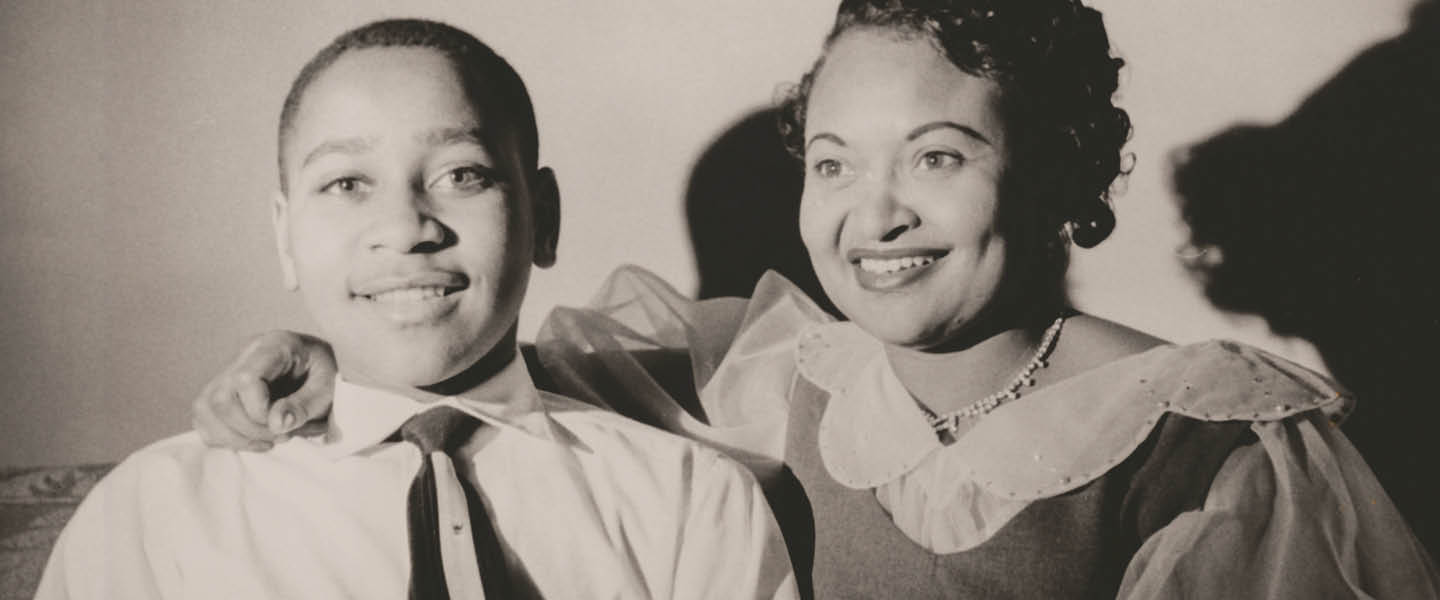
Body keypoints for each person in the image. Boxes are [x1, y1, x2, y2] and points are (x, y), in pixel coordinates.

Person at [193, 2, 1440, 598]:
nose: (872, 213)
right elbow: (484, 359)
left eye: (938, 157)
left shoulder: (1202, 440)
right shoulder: (778, 374)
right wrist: (322, 346)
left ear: (1055, 169)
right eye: (833, 162)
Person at [37, 18, 796, 600]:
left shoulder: (691, 502)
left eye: (462, 175)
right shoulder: (155, 511)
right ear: (285, 236)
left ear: (544, 217)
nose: (405, 228)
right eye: (345, 184)